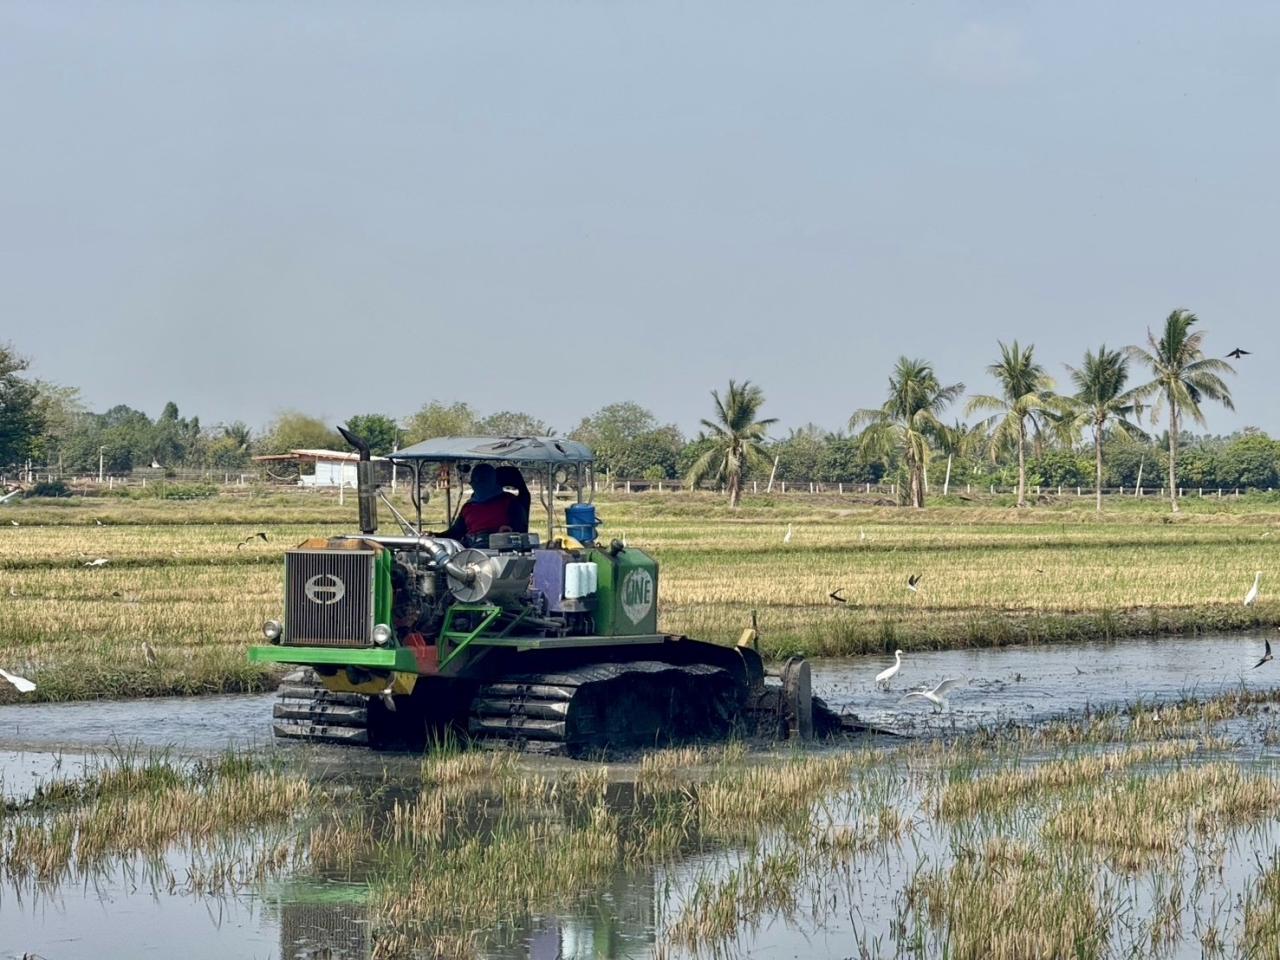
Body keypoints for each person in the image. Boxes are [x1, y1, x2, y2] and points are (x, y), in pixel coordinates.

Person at [436, 463, 529, 545]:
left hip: (498, 552)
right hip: (470, 551)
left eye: (482, 481)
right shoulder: (468, 507)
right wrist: (434, 536)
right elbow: (455, 533)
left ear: (493, 481)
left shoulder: (510, 503)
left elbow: (520, 533)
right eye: (475, 482)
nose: (478, 484)